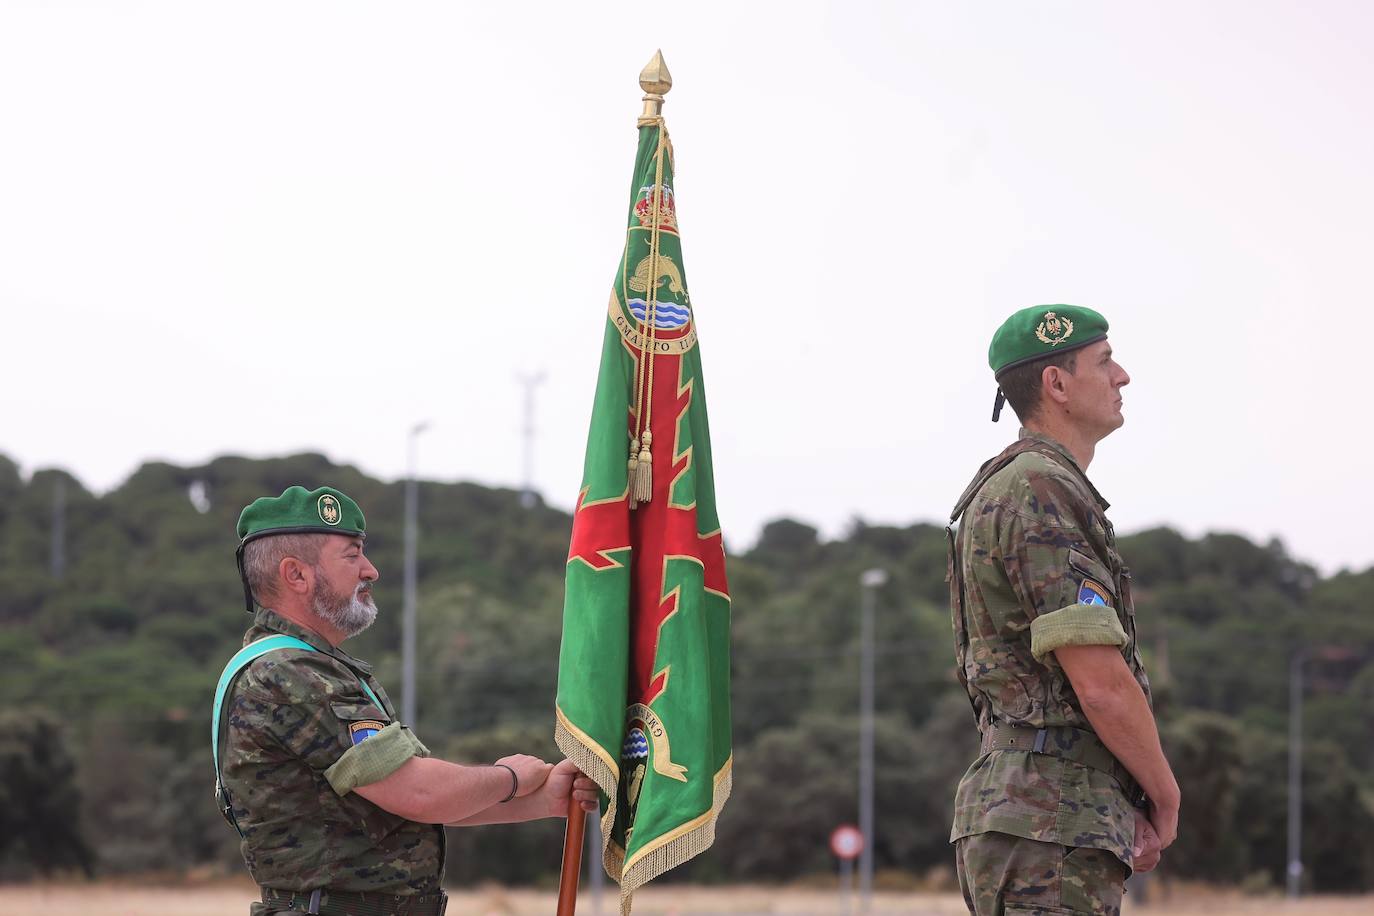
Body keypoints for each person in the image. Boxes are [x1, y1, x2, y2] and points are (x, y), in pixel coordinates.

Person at [213, 485, 598, 916]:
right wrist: (511, 777)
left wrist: (542, 802)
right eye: (352, 554)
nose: (370, 570)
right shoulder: (290, 674)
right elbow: (418, 792)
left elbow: (403, 808)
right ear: (296, 575)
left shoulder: (311, 668)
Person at [945, 306, 1180, 915]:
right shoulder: (1038, 488)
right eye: (1104, 362)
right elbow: (1099, 680)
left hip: (1042, 811)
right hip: (1048, 816)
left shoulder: (1027, 484)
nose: (1122, 376)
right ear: (1056, 384)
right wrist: (1164, 792)